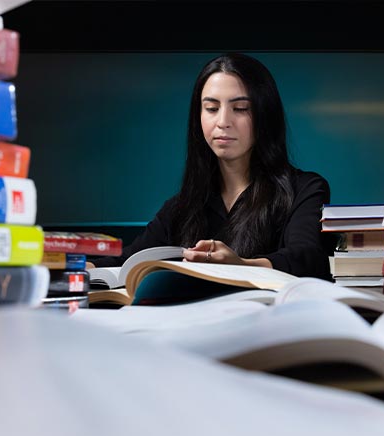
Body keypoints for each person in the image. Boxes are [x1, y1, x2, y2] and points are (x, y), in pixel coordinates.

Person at [89, 52, 333, 280]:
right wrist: (70, 265)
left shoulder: (305, 189)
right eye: (212, 108)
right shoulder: (181, 207)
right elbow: (128, 259)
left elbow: (308, 259)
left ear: (264, 115)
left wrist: (241, 266)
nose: (223, 122)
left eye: (240, 109)